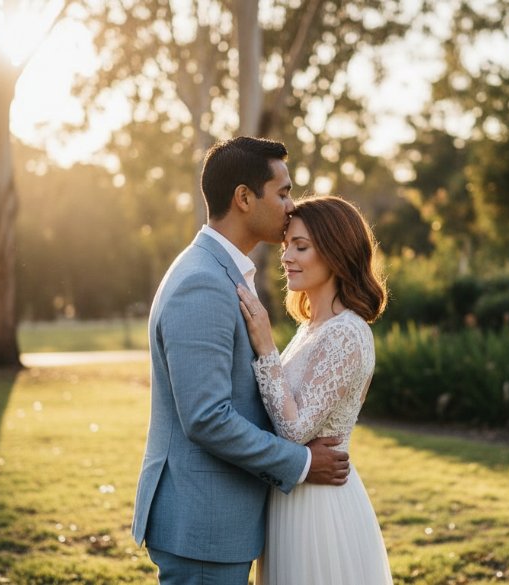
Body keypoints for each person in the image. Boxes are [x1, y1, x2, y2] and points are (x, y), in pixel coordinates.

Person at [130, 137, 351, 585]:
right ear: (245, 198)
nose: (291, 206)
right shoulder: (204, 283)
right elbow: (207, 418)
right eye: (283, 192)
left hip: (218, 521)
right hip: (203, 524)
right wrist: (303, 463)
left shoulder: (220, 271)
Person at [236, 195, 393, 584]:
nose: (286, 256)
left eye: (300, 246)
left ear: (336, 252)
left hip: (319, 508)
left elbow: (294, 428)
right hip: (292, 495)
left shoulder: (347, 332)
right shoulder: (312, 329)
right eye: (287, 244)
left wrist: (266, 348)